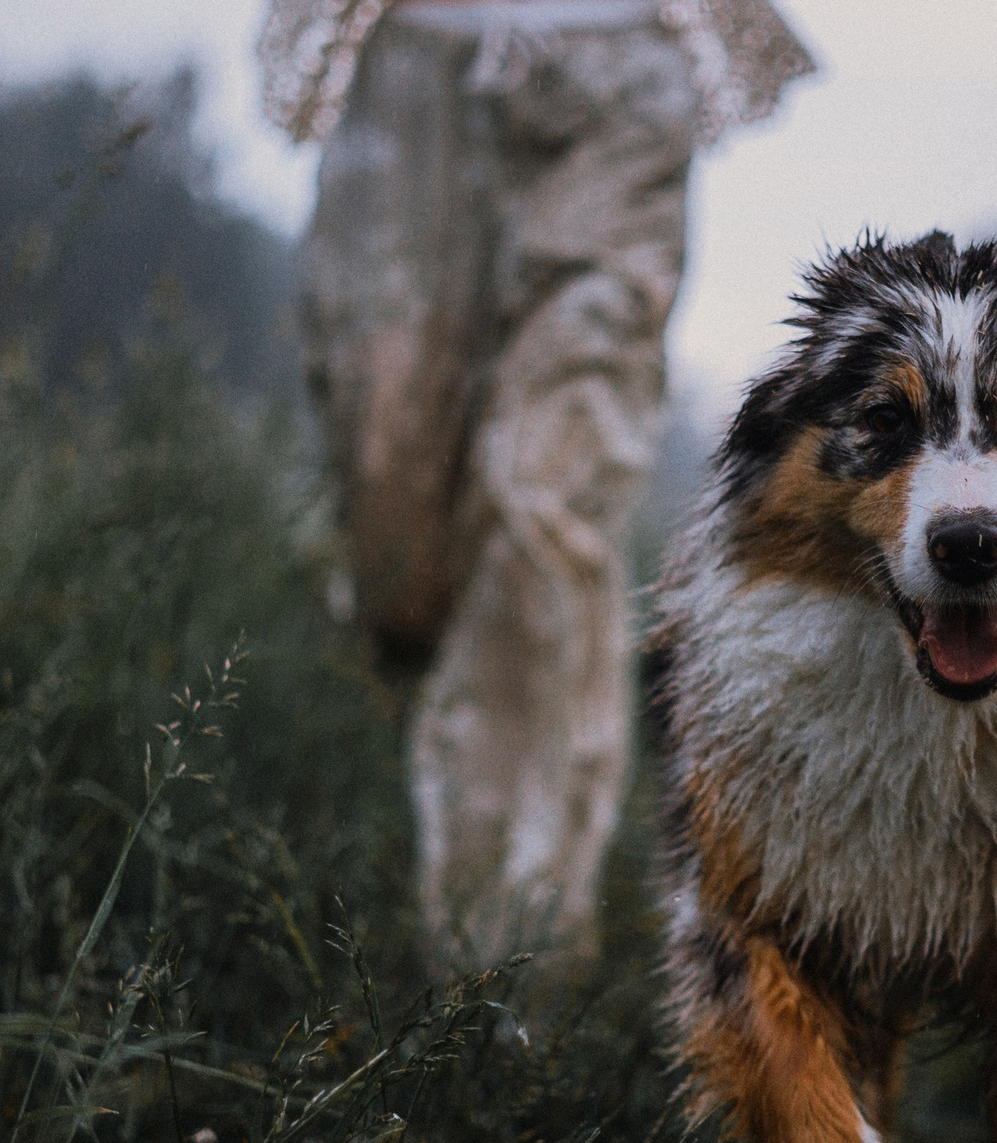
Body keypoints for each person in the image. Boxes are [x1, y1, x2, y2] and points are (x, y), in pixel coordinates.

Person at [258, 0, 812, 968]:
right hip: (416, 77)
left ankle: (508, 959)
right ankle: (448, 732)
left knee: (547, 496)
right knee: (398, 539)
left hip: (622, 83)